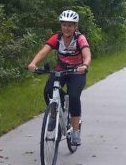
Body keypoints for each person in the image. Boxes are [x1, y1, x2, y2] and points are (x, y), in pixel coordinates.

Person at [27, 9, 91, 146]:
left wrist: (84, 65)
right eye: (64, 25)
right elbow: (44, 51)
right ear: (61, 26)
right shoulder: (57, 38)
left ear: (75, 27)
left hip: (77, 71)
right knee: (48, 91)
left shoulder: (80, 38)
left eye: (70, 25)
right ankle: (55, 113)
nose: (66, 28)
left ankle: (75, 131)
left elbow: (87, 54)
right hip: (61, 70)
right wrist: (33, 63)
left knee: (73, 97)